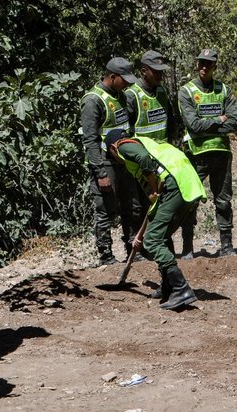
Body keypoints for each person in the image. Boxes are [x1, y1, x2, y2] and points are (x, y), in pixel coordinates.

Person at [106, 130, 207, 310]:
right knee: (161, 235)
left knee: (152, 240)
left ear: (112, 147)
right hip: (184, 182)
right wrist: (140, 234)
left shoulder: (124, 145)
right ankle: (168, 286)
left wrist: (153, 187)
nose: (117, 161)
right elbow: (154, 203)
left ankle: (181, 288)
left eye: (112, 157)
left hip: (174, 184)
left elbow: (144, 159)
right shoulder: (149, 145)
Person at [81, 57, 145, 265]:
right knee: (106, 211)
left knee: (133, 207)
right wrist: (100, 173)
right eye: (123, 79)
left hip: (125, 162)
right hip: (106, 164)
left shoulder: (123, 97)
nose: (127, 84)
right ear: (112, 77)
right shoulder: (93, 100)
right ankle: (106, 255)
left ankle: (132, 251)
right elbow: (90, 140)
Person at [178, 48, 237, 259]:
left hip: (221, 153)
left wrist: (215, 124)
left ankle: (227, 246)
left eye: (209, 63)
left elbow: (234, 121)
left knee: (223, 201)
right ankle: (187, 248)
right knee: (190, 201)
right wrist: (219, 120)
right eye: (201, 63)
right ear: (197, 65)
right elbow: (193, 125)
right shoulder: (186, 91)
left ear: (215, 66)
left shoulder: (223, 89)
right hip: (196, 155)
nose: (205, 67)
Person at [125, 50, 177, 144]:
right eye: (156, 72)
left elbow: (170, 122)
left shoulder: (161, 91)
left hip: (163, 152)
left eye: (161, 71)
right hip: (142, 154)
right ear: (144, 71)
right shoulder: (132, 95)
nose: (160, 76)